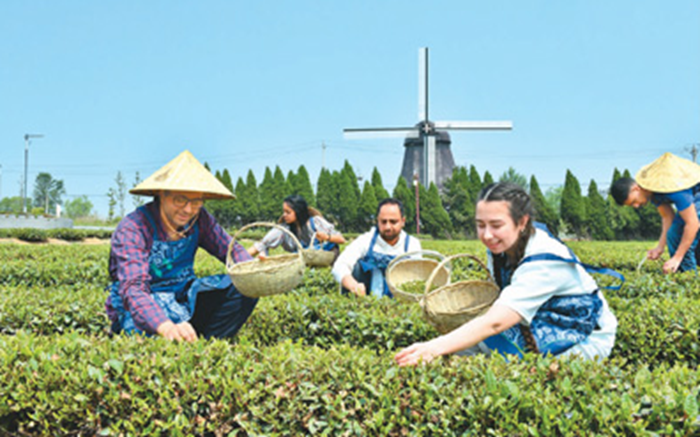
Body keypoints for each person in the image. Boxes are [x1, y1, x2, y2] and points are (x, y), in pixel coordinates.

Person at [395, 182, 617, 366]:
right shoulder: (501, 248)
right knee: (461, 353)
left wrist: (433, 347)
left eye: (496, 225)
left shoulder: (544, 259)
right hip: (535, 323)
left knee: (529, 375)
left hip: (584, 337)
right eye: (480, 225)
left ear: (522, 222)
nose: (487, 235)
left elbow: (495, 322)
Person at [105, 150, 257, 342]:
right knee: (142, 326)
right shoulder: (133, 228)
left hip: (183, 297)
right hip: (144, 302)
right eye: (180, 199)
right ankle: (173, 335)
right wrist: (165, 326)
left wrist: (253, 269)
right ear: (161, 194)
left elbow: (230, 249)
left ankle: (211, 343)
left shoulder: (200, 220)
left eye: (196, 201)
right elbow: (134, 290)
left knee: (244, 286)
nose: (188, 209)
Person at [610, 152, 700, 274]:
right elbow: (668, 217)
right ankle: (686, 270)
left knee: (679, 234)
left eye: (634, 202)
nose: (636, 206)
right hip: (694, 199)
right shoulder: (652, 193)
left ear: (636, 189)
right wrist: (660, 247)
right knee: (673, 234)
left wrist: (677, 257)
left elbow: (693, 223)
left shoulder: (674, 188)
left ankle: (688, 278)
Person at [332, 198, 422, 297]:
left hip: (400, 298)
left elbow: (419, 277)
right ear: (377, 221)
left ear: (403, 221)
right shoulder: (366, 240)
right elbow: (340, 265)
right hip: (367, 297)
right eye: (383, 222)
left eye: (393, 222)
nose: (388, 227)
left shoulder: (412, 245)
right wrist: (353, 285)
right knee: (356, 268)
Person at [247, 194, 345, 261]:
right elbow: (260, 245)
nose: (284, 215)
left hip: (327, 257)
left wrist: (326, 237)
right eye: (284, 212)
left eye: (288, 212)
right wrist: (238, 260)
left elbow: (341, 239)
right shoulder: (284, 230)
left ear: (298, 212)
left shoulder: (315, 222)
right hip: (307, 262)